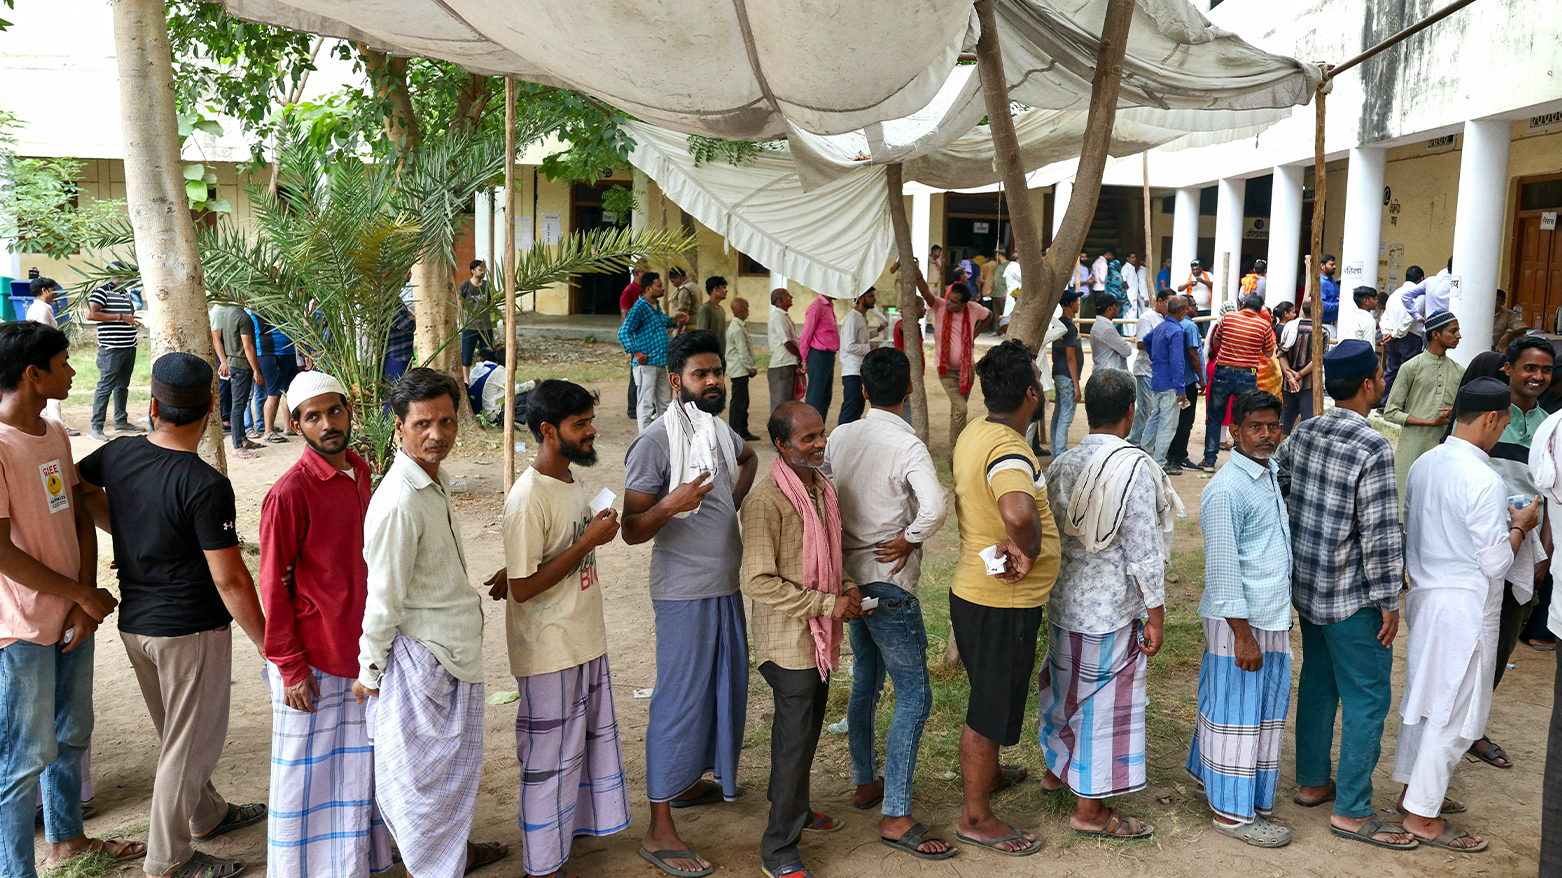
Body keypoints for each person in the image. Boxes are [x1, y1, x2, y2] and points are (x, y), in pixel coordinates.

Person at [77, 352, 268, 878]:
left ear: (153, 405)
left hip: (137, 625)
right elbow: (230, 578)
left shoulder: (117, 454)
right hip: (190, 630)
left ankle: (207, 814)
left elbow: (77, 486)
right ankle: (168, 859)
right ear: (212, 406)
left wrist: (130, 529)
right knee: (188, 745)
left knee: (175, 734)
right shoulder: (204, 484)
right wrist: (267, 642)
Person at [354, 368, 509, 878]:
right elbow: (383, 597)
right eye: (422, 424)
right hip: (424, 660)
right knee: (421, 785)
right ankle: (435, 867)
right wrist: (369, 670)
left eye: (446, 421)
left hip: (452, 653)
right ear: (399, 426)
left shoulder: (430, 483)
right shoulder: (399, 501)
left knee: (446, 779)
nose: (436, 434)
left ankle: (453, 855)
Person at [0, 323, 142, 878]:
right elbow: (3, 553)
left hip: (69, 612)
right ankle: (16, 870)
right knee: (23, 757)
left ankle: (67, 840)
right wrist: (80, 592)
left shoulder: (54, 431)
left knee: (70, 733)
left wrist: (83, 602)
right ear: (33, 374)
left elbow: (78, 514)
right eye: (63, 362)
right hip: (21, 625)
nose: (74, 370)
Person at [623, 330, 758, 878]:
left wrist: (729, 501)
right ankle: (658, 829)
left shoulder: (719, 430)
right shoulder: (655, 442)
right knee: (678, 702)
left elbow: (747, 461)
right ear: (677, 381)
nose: (714, 382)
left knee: (723, 692)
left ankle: (686, 784)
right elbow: (631, 529)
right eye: (702, 375)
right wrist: (674, 505)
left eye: (718, 372)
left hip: (724, 587)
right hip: (683, 593)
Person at [1272, 341, 1416, 850]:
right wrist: (1390, 601)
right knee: (1368, 697)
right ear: (1368, 385)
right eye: (1379, 375)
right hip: (1353, 597)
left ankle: (1313, 783)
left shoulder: (1306, 430)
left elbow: (1279, 477)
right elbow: (1379, 533)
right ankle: (1352, 811)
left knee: (1318, 682)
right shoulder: (1373, 447)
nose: (1382, 381)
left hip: (1308, 587)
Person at [490, 380, 631, 878]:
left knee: (580, 749)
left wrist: (588, 533)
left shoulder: (568, 480)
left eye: (590, 421)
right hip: (549, 649)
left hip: (581, 638)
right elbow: (525, 589)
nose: (591, 432)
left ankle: (567, 836)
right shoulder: (528, 497)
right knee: (549, 758)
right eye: (580, 425)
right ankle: (543, 864)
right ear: (549, 432)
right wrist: (587, 541)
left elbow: (535, 561)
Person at [1395, 377, 1540, 853]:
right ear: (1492, 419)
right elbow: (1496, 562)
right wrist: (1519, 526)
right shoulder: (1482, 478)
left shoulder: (1425, 463)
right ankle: (1422, 815)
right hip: (1465, 606)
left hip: (1428, 597)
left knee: (1425, 699)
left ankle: (1412, 792)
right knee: (1452, 713)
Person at [259, 371, 394, 877]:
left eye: (333, 411)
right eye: (312, 417)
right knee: (306, 780)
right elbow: (273, 585)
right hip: (313, 659)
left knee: (360, 773)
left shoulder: (361, 472)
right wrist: (290, 666)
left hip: (361, 654)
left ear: (350, 411)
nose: (327, 424)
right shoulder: (289, 493)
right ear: (296, 426)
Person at [821, 348, 951, 860]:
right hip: (889, 583)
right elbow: (936, 506)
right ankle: (896, 813)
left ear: (865, 391)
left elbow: (826, 490)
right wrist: (912, 536)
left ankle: (864, 780)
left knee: (867, 683)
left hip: (852, 584)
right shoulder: (906, 443)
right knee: (914, 695)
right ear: (910, 390)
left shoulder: (841, 434)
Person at [1039, 368, 1179, 841]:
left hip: (1062, 602)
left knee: (1064, 690)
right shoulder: (1136, 468)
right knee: (1103, 706)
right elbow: (1144, 551)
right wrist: (1155, 616)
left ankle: (1058, 769)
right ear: (1130, 413)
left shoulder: (1061, 463)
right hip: (1110, 609)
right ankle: (1090, 809)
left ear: (1085, 409)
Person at [739, 401, 862, 877]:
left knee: (803, 734)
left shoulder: (819, 488)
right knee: (794, 742)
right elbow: (757, 581)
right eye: (808, 439)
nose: (819, 444)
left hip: (818, 639)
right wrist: (828, 604)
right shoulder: (767, 500)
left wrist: (847, 586)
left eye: (821, 435)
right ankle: (779, 851)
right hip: (788, 643)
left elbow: (831, 556)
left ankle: (796, 809)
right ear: (781, 445)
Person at [948, 340, 1060, 857]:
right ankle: (976, 817)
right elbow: (1016, 511)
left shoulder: (979, 431)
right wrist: (1030, 550)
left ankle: (987, 776)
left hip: (980, 591)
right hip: (1000, 601)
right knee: (989, 706)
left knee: (991, 697)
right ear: (1032, 394)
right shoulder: (1009, 449)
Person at [1188, 390, 1293, 848]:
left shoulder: (1267, 474)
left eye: (1273, 426)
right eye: (1256, 427)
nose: (1266, 435)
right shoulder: (1226, 490)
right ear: (1235, 432)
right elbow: (1224, 573)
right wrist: (1243, 638)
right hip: (1243, 623)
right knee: (1239, 716)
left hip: (1268, 614)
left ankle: (1209, 781)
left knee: (1244, 709)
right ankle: (1232, 814)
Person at [1475, 335, 1556, 768]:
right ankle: (1456, 724)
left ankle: (1475, 728)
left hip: (1526, 552)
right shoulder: (1484, 415)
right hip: (1481, 547)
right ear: (1508, 368)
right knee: (1472, 641)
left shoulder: (1550, 426)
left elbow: (1549, 494)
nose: (1537, 377)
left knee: (1504, 640)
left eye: (1545, 370)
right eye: (1530, 368)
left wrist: (1545, 546)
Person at [1382, 311, 1463, 497]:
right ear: (1435, 334)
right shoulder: (1411, 367)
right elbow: (1390, 412)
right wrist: (1430, 422)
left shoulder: (1459, 371)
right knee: (1405, 506)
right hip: (1412, 450)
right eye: (1453, 331)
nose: (1459, 336)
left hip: (1444, 451)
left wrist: (1455, 411)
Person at [1200, 294, 1276, 470]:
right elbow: (1269, 353)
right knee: (1245, 419)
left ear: (1242, 305)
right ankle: (1240, 459)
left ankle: (1209, 460)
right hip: (1247, 376)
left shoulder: (1228, 317)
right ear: (1260, 309)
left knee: (1214, 418)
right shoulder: (1264, 325)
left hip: (1223, 373)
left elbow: (1216, 340)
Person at [915, 276, 992, 448]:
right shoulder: (940, 306)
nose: (949, 303)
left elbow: (989, 316)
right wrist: (918, 275)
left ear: (964, 304)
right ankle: (962, 446)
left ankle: (954, 447)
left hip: (967, 370)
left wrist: (975, 334)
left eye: (955, 302)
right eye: (949, 299)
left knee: (957, 411)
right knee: (961, 409)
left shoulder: (973, 309)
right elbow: (925, 292)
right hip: (947, 372)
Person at [618, 272, 686, 431]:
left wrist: (675, 320)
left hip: (661, 362)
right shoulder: (639, 307)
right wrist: (637, 354)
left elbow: (663, 323)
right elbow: (623, 332)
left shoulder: (655, 306)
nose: (663, 288)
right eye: (659, 285)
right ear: (648, 289)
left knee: (664, 402)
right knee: (646, 404)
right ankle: (645, 439)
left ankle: (663, 434)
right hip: (646, 364)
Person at [85, 275, 143, 442]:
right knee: (105, 387)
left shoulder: (124, 291)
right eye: (130, 275)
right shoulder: (102, 291)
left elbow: (129, 313)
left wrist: (129, 319)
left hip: (128, 346)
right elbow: (90, 314)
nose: (133, 280)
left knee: (122, 386)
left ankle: (121, 421)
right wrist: (120, 317)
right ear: (120, 275)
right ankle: (96, 427)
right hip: (111, 349)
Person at [1142, 294, 1190, 472]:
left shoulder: (1161, 327)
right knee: (1167, 424)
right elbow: (1177, 362)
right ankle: (1160, 463)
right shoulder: (1176, 331)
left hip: (1157, 378)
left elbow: (1146, 341)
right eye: (1185, 309)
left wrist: (1157, 356)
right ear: (1180, 311)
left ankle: (1144, 453)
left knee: (1155, 418)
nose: (1186, 312)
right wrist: (1181, 389)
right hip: (1170, 382)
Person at [24, 278, 78, 434]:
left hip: (42, 355)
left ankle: (52, 422)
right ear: (44, 290)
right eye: (53, 289)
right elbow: (41, 336)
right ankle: (57, 425)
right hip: (45, 356)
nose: (56, 293)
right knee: (53, 388)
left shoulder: (40, 307)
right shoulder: (41, 310)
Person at [1165, 296, 1206, 472]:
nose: (1197, 308)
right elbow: (1193, 354)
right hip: (1187, 382)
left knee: (1175, 418)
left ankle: (1173, 454)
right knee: (1186, 419)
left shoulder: (1171, 324)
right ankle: (1178, 456)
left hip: (1173, 380)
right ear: (1185, 309)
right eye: (1194, 305)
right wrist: (1201, 378)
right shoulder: (1189, 326)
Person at [1127, 290, 1169, 448]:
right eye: (1168, 302)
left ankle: (1145, 440)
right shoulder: (1146, 318)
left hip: (1158, 372)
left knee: (1155, 408)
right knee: (1146, 408)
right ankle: (1135, 440)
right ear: (1160, 301)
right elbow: (1140, 343)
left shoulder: (1166, 319)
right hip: (1145, 369)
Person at [221, 305, 264, 459]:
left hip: (233, 362)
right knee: (239, 406)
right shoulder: (243, 317)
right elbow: (248, 346)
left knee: (239, 404)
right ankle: (237, 446)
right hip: (242, 365)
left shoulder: (228, 312)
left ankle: (243, 440)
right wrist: (256, 370)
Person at [1381, 266, 1427, 401]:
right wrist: (1396, 333)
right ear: (1421, 279)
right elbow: (1412, 317)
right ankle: (1401, 404)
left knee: (1392, 370)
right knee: (1408, 373)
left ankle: (1385, 402)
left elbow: (1385, 316)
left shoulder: (1395, 294)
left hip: (1392, 338)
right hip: (1410, 337)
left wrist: (1387, 332)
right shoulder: (1419, 295)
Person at [253, 311, 300, 443]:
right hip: (271, 354)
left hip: (288, 353)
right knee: (274, 393)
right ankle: (268, 431)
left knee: (289, 392)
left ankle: (288, 428)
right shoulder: (257, 309)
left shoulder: (283, 306)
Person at [1051, 291, 1084, 456]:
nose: (1078, 305)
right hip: (1067, 376)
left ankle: (1056, 452)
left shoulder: (1059, 324)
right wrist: (1076, 385)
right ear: (1071, 304)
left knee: (1058, 415)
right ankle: (1060, 454)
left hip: (1058, 373)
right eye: (1077, 302)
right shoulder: (1069, 327)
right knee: (1065, 417)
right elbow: (1071, 357)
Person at [799, 293, 841, 422]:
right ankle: (808, 428)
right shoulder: (817, 306)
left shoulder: (828, 306)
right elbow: (807, 333)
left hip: (828, 356)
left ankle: (818, 429)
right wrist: (805, 359)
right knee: (815, 396)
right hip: (818, 355)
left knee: (825, 397)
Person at [837, 289, 876, 426]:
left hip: (860, 370)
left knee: (858, 408)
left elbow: (862, 338)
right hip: (852, 370)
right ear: (860, 298)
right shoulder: (852, 318)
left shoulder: (861, 317)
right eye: (871, 296)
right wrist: (870, 349)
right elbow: (849, 345)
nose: (874, 299)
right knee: (851, 408)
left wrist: (878, 331)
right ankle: (841, 439)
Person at [1279, 303, 1318, 432]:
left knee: (1285, 422)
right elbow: (1318, 359)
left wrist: (1290, 376)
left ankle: (1278, 451)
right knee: (1308, 423)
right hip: (1309, 384)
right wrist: (1299, 374)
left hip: (1289, 384)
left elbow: (1281, 354)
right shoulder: (1320, 331)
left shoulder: (1290, 327)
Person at [725, 296, 759, 440]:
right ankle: (736, 431)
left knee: (743, 401)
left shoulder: (738, 326)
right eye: (747, 308)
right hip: (739, 370)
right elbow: (742, 352)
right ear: (743, 309)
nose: (748, 311)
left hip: (739, 369)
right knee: (739, 402)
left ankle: (742, 429)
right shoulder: (737, 329)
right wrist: (751, 367)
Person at [767, 288, 803, 415]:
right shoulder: (778, 318)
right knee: (781, 405)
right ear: (779, 300)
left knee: (787, 404)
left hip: (787, 364)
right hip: (781, 366)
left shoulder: (784, 317)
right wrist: (802, 355)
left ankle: (783, 433)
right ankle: (777, 434)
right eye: (788, 296)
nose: (791, 297)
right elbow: (787, 342)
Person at [459, 259, 493, 384]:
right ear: (473, 271)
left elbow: (489, 301)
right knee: (467, 355)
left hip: (486, 326)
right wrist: (463, 320)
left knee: (487, 354)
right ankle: (466, 381)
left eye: (484, 269)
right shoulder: (465, 286)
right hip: (470, 326)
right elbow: (460, 303)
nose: (483, 272)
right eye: (480, 270)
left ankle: (484, 378)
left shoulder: (487, 285)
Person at [621, 266, 648, 419]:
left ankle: (641, 406)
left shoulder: (643, 290)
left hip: (644, 338)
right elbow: (625, 313)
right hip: (635, 338)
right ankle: (632, 408)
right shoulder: (630, 290)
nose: (648, 274)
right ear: (637, 273)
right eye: (646, 271)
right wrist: (630, 339)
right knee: (635, 373)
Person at [1090, 293, 1133, 372]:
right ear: (1110, 309)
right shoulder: (1106, 328)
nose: (1118, 308)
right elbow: (1127, 350)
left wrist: (1120, 347)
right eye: (1116, 306)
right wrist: (1124, 345)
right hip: (1109, 376)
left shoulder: (1100, 324)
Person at [384, 302, 415, 386]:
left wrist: (410, 317)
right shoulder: (387, 299)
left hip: (402, 353)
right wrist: (412, 318)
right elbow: (409, 325)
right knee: (395, 390)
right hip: (396, 355)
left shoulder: (394, 298)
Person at [668, 267, 701, 331]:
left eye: (673, 281)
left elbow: (683, 315)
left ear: (678, 278)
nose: (673, 284)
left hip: (686, 328)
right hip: (695, 325)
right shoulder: (694, 286)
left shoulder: (684, 290)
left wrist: (678, 332)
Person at [1319, 254, 1341, 327]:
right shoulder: (1322, 282)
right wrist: (1340, 304)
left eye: (1335, 264)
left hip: (1332, 323)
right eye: (1332, 264)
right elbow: (1321, 305)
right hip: (1324, 324)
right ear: (1322, 266)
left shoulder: (1332, 281)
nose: (1334, 267)